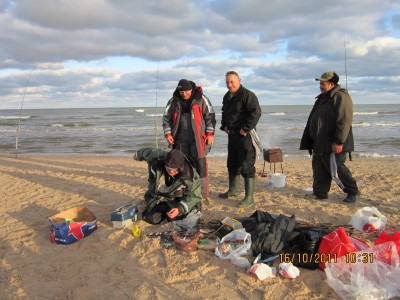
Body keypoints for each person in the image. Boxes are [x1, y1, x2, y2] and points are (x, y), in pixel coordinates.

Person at [300, 71, 360, 203]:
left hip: (334, 142)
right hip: (320, 141)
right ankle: (320, 193)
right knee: (319, 168)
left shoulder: (341, 96)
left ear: (332, 84)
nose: (321, 86)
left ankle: (353, 192)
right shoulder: (323, 97)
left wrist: (339, 142)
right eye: (320, 83)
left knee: (338, 168)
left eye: (323, 83)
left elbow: (344, 121)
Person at [162, 79, 216, 197]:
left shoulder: (202, 99)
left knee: (200, 165)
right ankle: (183, 190)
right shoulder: (173, 101)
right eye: (181, 91)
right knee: (181, 165)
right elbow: (166, 118)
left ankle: (202, 193)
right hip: (180, 139)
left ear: (192, 89)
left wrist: (210, 134)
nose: (184, 94)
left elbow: (210, 117)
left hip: (198, 139)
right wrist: (168, 134)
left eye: (187, 91)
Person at [218, 71, 262, 207]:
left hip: (245, 136)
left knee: (247, 165)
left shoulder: (248, 95)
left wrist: (246, 129)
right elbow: (225, 112)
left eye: (232, 82)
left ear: (239, 80)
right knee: (232, 164)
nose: (229, 85)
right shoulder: (227, 96)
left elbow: (256, 112)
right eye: (227, 82)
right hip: (232, 136)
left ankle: (249, 197)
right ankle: (233, 190)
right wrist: (224, 126)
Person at [133, 147, 202, 225]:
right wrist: (137, 155)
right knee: (150, 218)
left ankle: (173, 209)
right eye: (168, 168)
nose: (171, 172)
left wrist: (179, 209)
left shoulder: (190, 175)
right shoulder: (157, 157)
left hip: (178, 197)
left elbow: (194, 196)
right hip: (159, 195)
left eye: (174, 169)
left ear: (181, 168)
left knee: (181, 219)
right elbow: (147, 152)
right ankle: (163, 207)